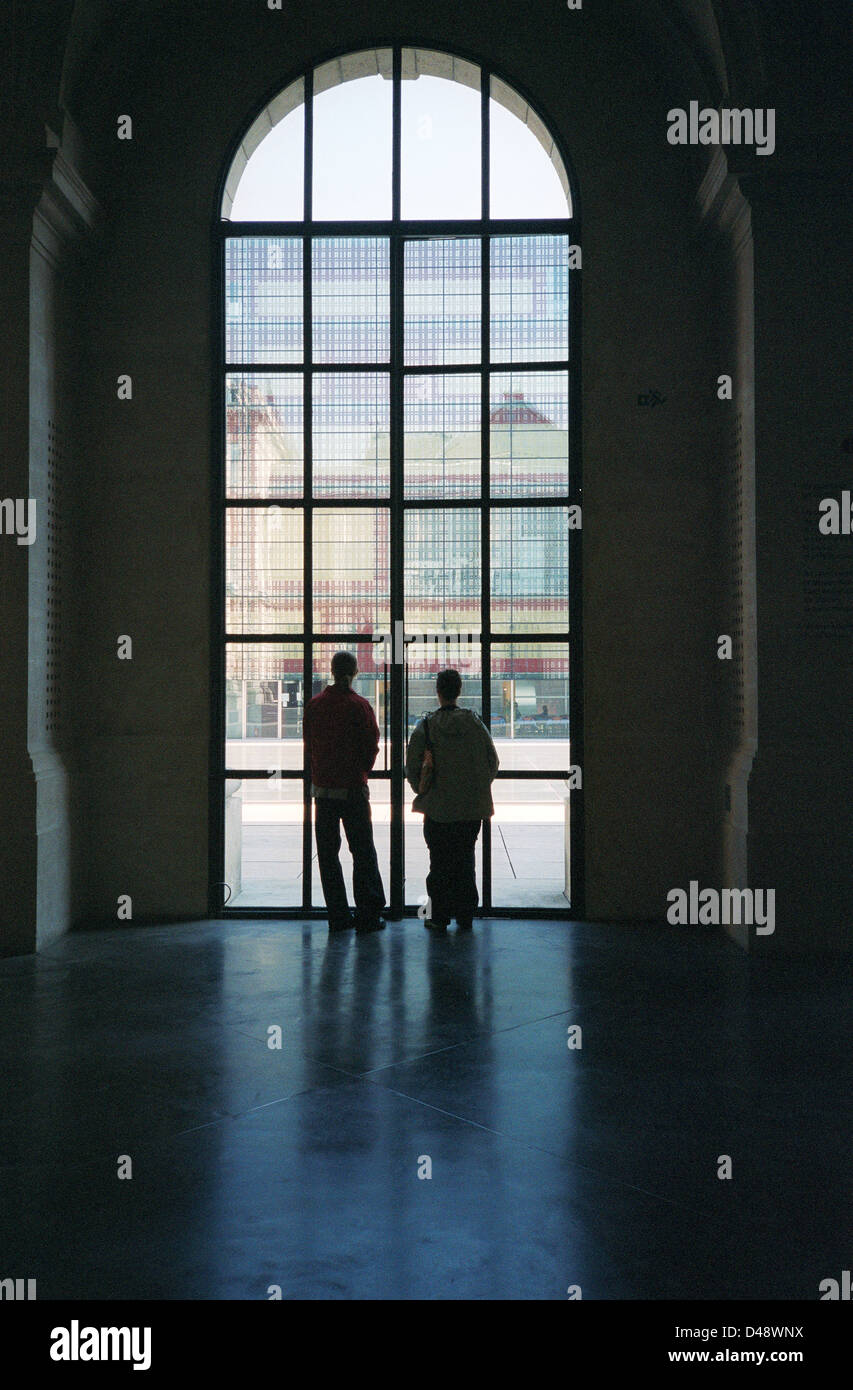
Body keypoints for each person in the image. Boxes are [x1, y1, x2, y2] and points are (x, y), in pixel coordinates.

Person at [406, 669, 499, 931]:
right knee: (465, 859)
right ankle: (465, 915)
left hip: (437, 808)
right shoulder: (475, 724)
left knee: (439, 862)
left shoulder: (426, 726)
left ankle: (439, 917)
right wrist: (475, 787)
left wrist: (422, 790)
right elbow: (492, 762)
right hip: (470, 809)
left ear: (438, 692)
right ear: (459, 691)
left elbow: (412, 766)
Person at [303, 651, 386, 933]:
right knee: (363, 853)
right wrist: (360, 773)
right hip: (352, 791)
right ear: (355, 672)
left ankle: (338, 916)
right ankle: (368, 915)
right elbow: (371, 746)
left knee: (328, 856)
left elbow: (309, 746)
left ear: (332, 670)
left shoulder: (315, 706)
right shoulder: (360, 706)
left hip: (323, 793)